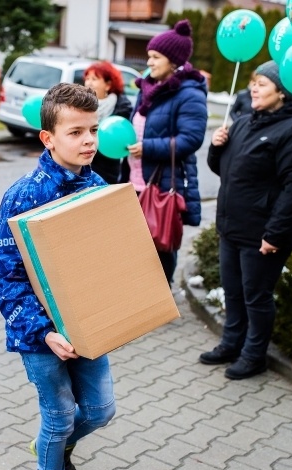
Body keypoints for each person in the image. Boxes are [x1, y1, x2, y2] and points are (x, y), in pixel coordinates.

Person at [0, 83, 116, 470]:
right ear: (48, 138)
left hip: (88, 328)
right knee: (60, 413)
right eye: (76, 132)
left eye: (94, 130)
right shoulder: (22, 197)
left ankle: (57, 448)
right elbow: (7, 282)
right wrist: (46, 331)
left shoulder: (99, 187)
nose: (88, 141)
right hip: (39, 336)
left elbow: (105, 265)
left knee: (101, 410)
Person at [200, 60, 292, 380]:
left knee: (256, 296)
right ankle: (231, 343)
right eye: (253, 82)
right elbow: (224, 171)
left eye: (262, 84)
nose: (253, 88)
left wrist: (275, 233)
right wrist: (216, 147)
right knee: (233, 291)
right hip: (232, 225)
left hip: (262, 233)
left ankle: (254, 355)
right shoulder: (245, 121)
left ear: (282, 92)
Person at [126, 19, 208, 286]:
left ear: (173, 61)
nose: (149, 62)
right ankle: (140, 288)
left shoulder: (189, 93)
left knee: (160, 240)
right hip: (134, 178)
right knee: (135, 240)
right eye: (148, 56)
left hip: (164, 181)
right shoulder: (146, 88)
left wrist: (147, 148)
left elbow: (191, 138)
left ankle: (162, 291)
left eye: (155, 57)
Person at [83, 61, 133, 184]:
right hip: (81, 167)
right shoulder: (80, 105)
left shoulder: (123, 108)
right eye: (87, 78)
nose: (89, 82)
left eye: (94, 79)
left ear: (108, 85)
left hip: (107, 170)